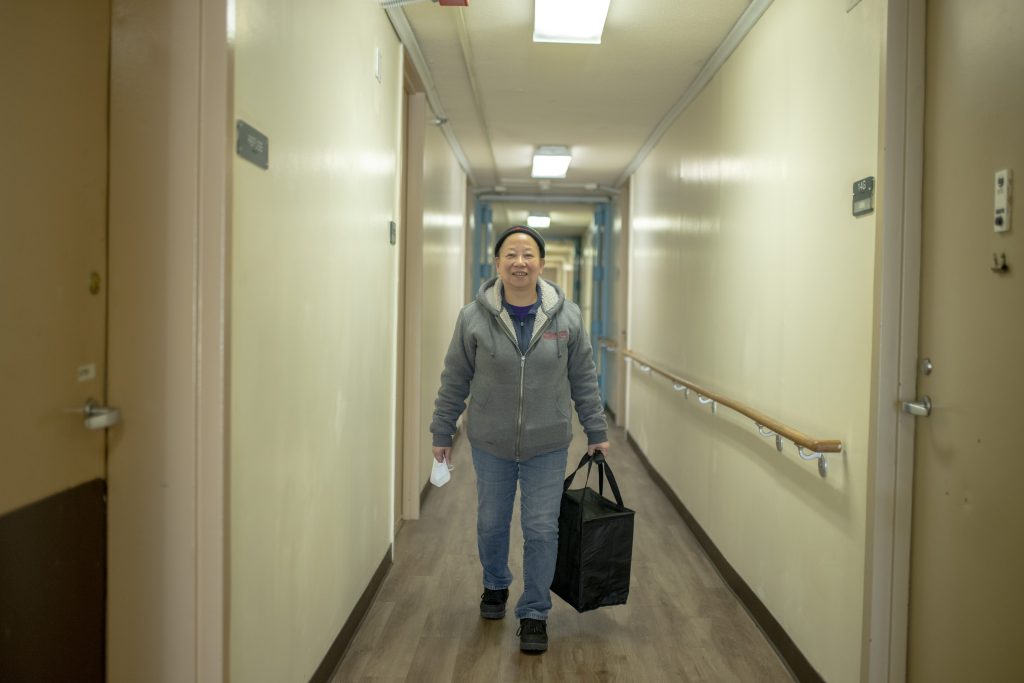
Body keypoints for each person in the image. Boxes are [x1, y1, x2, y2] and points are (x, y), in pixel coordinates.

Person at [430, 224, 610, 654]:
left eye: (528, 255)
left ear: (542, 264)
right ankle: (495, 585)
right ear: (497, 263)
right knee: (491, 523)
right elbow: (455, 376)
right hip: (490, 442)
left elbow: (583, 376)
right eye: (510, 254)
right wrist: (443, 428)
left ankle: (535, 611)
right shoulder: (473, 317)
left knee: (542, 530)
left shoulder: (567, 317)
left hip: (547, 443)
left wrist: (596, 428)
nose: (519, 262)